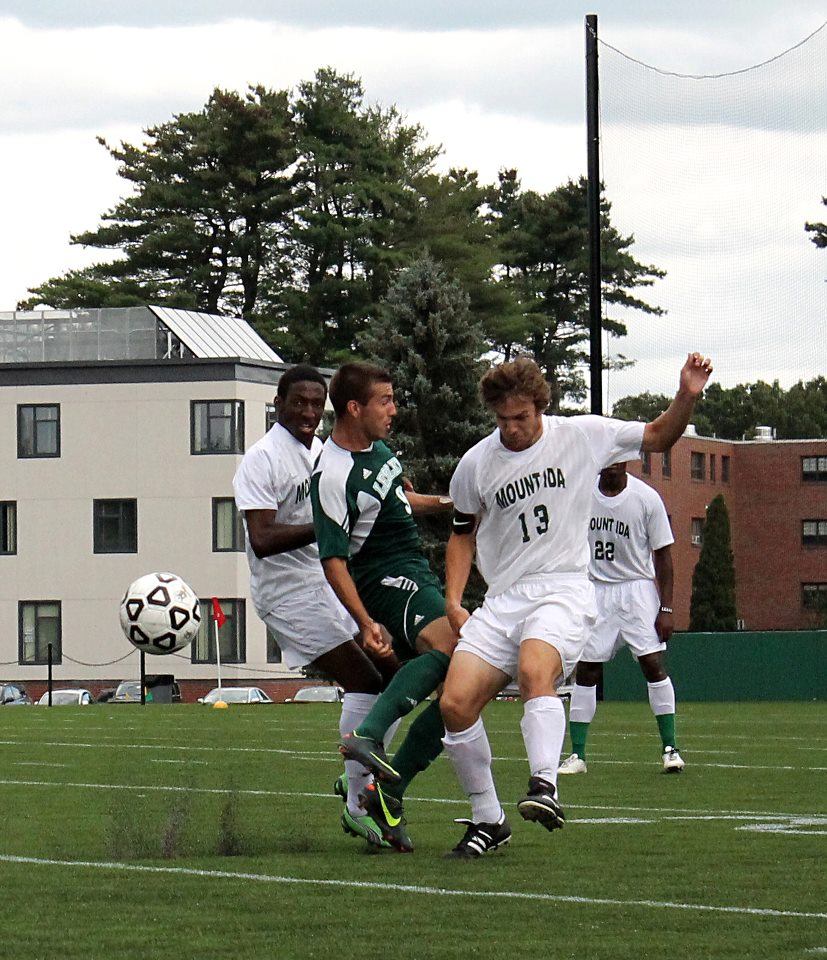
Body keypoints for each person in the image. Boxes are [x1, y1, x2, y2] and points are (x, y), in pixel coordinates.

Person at [439, 352, 713, 858]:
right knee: (454, 705)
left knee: (534, 668)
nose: (512, 428)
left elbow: (657, 436)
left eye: (521, 417)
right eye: (502, 419)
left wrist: (686, 396)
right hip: (503, 598)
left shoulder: (581, 435)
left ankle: (545, 784)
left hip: (563, 587)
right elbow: (461, 532)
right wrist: (454, 601)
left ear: (540, 407)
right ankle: (488, 818)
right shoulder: (477, 462)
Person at [232, 363, 402, 849]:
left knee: (394, 676)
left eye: (316, 403)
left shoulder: (322, 453)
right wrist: (328, 527)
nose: (308, 412)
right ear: (278, 404)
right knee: (366, 680)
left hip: (327, 580)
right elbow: (261, 539)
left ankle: (354, 780)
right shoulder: (262, 459)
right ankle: (356, 803)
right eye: (299, 402)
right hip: (286, 593)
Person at [310, 361, 457, 852]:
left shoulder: (377, 449)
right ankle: (370, 737)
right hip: (384, 579)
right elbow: (332, 561)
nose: (394, 410)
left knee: (463, 689)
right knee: (458, 649)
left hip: (413, 570)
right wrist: (366, 620)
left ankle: (386, 788)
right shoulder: (331, 474)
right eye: (386, 401)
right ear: (355, 408)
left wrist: (448, 502)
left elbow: (398, 500)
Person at [559, 461, 683, 775]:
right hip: (596, 588)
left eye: (617, 459)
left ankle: (670, 748)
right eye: (606, 459)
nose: (611, 466)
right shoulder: (582, 494)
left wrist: (666, 608)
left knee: (652, 665)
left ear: (626, 461)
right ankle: (578, 755)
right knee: (586, 670)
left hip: (637, 589)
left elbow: (663, 556)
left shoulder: (646, 498)